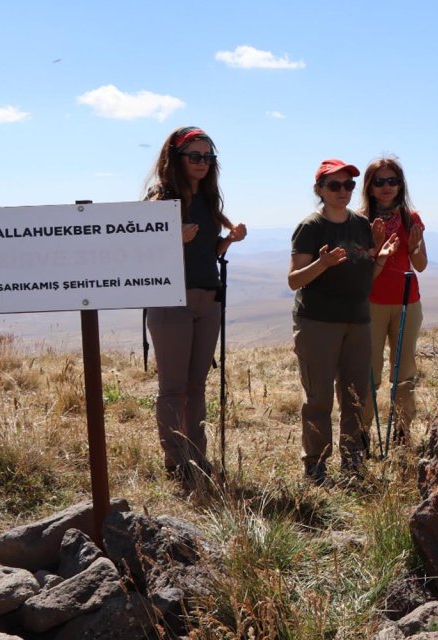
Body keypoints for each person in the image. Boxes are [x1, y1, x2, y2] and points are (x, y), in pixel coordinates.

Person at [143, 126, 246, 487]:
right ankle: (176, 461)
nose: (202, 163)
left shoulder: (207, 199)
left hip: (207, 296)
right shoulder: (160, 200)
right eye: (195, 156)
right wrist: (170, 236)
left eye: (208, 157)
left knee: (196, 384)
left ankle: (198, 457)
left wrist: (227, 242)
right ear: (176, 158)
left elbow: (206, 253)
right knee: (173, 387)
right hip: (171, 299)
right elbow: (138, 253)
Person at [288, 159, 397, 484]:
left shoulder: (362, 225)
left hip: (358, 321)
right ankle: (317, 468)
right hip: (317, 323)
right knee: (319, 397)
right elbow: (294, 280)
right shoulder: (311, 227)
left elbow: (367, 279)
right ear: (319, 189)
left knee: (355, 397)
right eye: (334, 185)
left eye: (348, 185)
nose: (342, 191)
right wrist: (322, 264)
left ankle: (353, 465)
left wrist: (381, 259)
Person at [358, 157, 427, 445]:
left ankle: (401, 433)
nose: (387, 187)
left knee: (404, 372)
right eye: (380, 182)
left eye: (392, 181)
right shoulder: (359, 220)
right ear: (370, 187)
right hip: (370, 303)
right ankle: (361, 435)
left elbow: (420, 265)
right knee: (369, 372)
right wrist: (375, 250)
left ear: (400, 185)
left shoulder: (411, 218)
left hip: (407, 302)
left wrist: (413, 248)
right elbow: (358, 271)